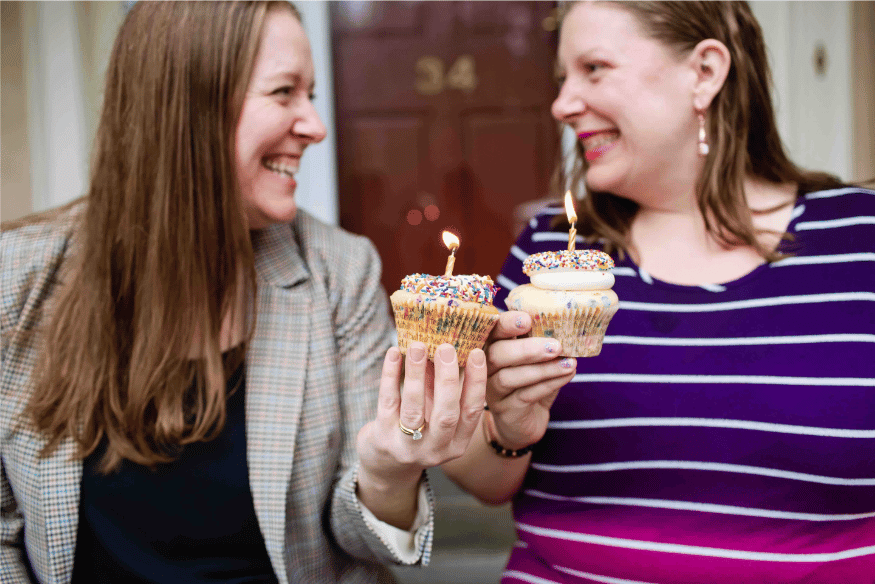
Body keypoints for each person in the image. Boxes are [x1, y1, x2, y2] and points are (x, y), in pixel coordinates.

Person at [0, 2, 493, 583]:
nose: (316, 125)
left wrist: (387, 472)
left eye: (309, 94)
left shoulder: (341, 271)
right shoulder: (19, 277)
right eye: (285, 93)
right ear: (184, 107)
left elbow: (359, 540)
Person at [443, 2, 875, 582]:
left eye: (594, 69)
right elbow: (484, 483)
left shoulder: (860, 240)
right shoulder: (550, 253)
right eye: (563, 77)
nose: (563, 103)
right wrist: (508, 430)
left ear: (705, 72)